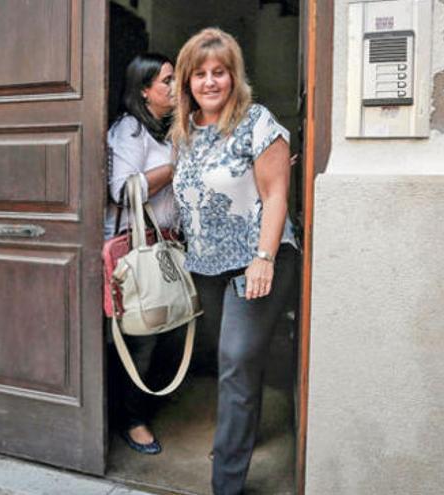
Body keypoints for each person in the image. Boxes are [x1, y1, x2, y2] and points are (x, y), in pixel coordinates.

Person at [170, 28, 299, 494]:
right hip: (206, 267)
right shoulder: (184, 133)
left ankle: (225, 484)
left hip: (257, 261)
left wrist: (263, 258)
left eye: (219, 72)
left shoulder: (257, 122)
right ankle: (241, 436)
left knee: (236, 358)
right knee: (236, 363)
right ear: (186, 82)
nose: (209, 82)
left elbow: (276, 194)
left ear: (233, 76)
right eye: (199, 74)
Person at [105, 53, 178, 455]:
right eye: (167, 80)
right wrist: (176, 166)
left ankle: (143, 404)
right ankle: (131, 420)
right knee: (140, 335)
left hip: (163, 244)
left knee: (163, 327)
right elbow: (123, 190)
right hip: (137, 247)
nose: (175, 86)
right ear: (145, 91)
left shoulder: (166, 130)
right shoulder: (130, 130)